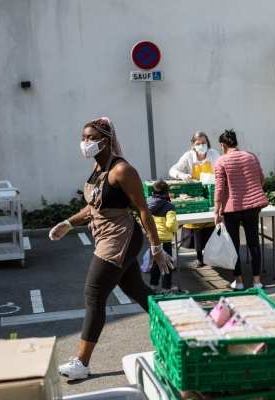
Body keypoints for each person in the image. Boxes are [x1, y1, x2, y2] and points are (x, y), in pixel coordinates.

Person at [49, 117, 174, 380]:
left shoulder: (122, 170)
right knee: (136, 290)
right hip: (105, 234)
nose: (85, 143)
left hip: (121, 237)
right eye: (83, 137)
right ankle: (175, 327)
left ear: (105, 140)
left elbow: (142, 209)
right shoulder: (98, 167)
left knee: (94, 294)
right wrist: (67, 224)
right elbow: (94, 206)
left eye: (91, 138)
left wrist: (156, 246)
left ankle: (82, 363)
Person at [213, 129, 269, 291]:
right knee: (254, 243)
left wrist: (216, 212)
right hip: (252, 207)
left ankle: (239, 283)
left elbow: (220, 188)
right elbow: (261, 179)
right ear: (236, 142)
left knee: (234, 246)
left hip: (232, 209)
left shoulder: (221, 161)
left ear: (223, 145)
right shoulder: (251, 156)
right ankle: (257, 282)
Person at [169, 131, 220, 267]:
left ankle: (213, 255)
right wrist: (181, 174)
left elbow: (221, 170)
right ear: (193, 145)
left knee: (211, 225)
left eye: (203, 143)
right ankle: (199, 256)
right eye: (198, 143)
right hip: (196, 194)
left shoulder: (214, 154)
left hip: (212, 193)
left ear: (207, 143)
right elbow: (172, 170)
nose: (201, 145)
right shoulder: (188, 156)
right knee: (197, 226)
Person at [147, 179, 179, 295]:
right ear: (167, 193)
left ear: (152, 192)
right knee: (166, 265)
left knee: (155, 264)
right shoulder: (169, 206)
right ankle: (166, 290)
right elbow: (171, 224)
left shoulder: (148, 204)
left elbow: (142, 220)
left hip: (153, 240)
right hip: (165, 240)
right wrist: (175, 229)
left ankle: (153, 287)